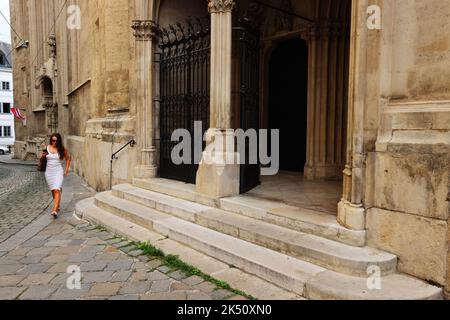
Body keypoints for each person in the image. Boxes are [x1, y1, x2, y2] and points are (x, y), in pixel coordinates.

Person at [41, 134, 71, 218]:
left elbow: (68, 158)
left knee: (57, 189)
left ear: (59, 141)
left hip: (58, 171)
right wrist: (43, 156)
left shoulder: (62, 149)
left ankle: (54, 210)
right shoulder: (47, 148)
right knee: (53, 190)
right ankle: (57, 206)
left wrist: (66, 170)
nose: (54, 142)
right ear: (51, 140)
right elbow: (42, 159)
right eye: (53, 140)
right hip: (49, 172)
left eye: (56, 141)